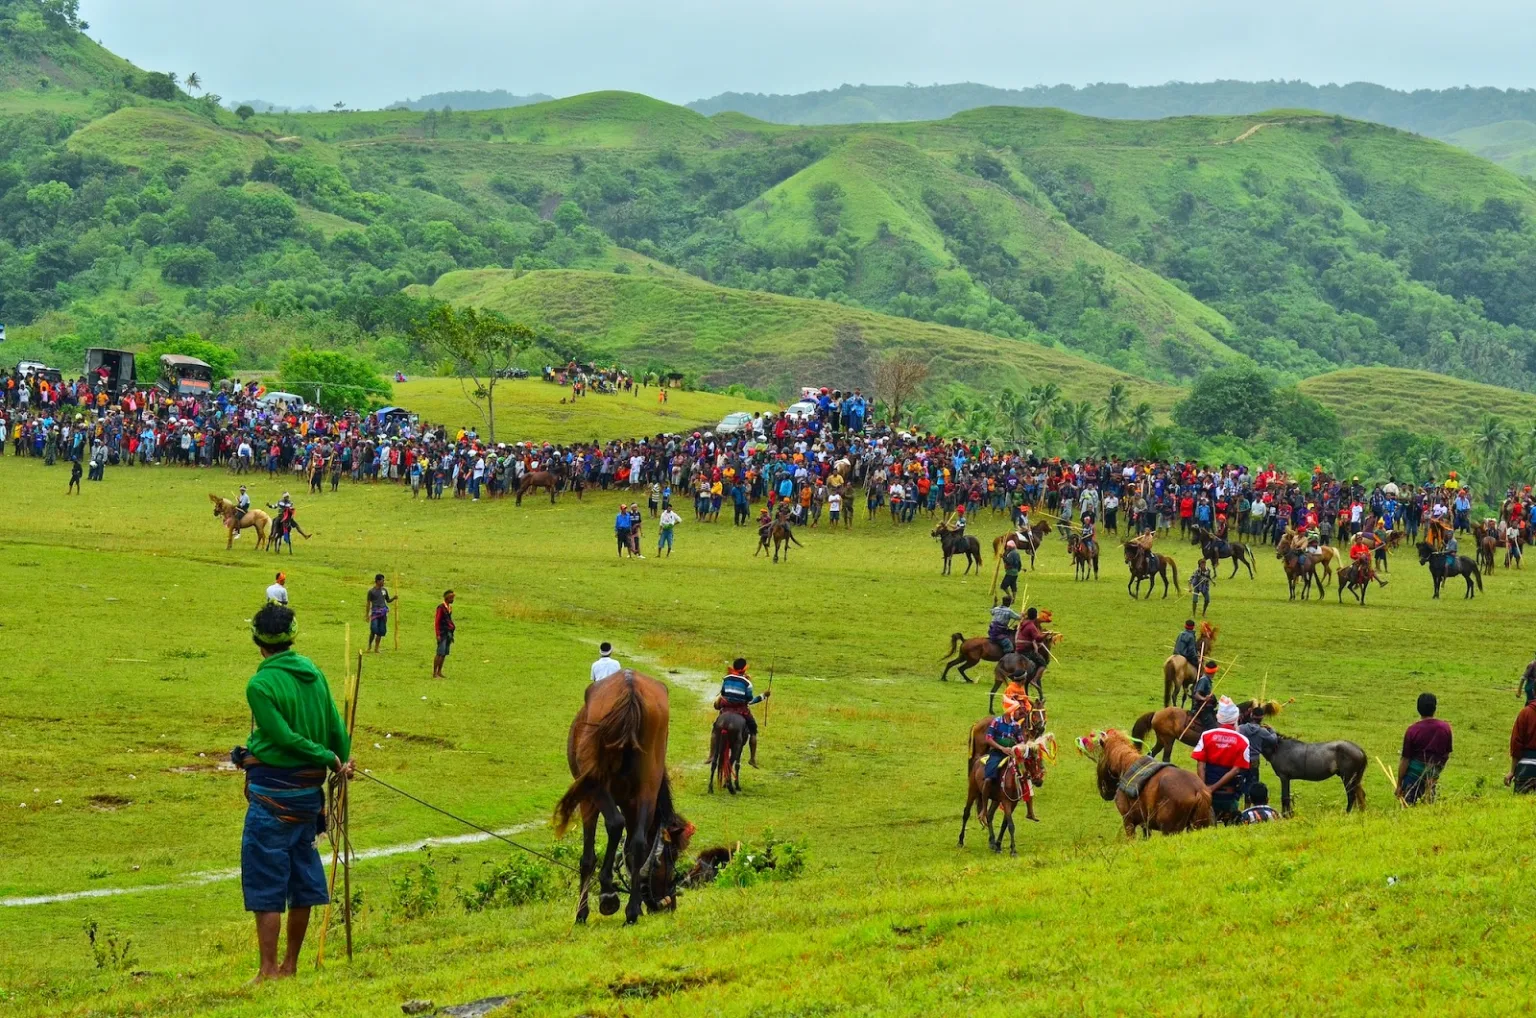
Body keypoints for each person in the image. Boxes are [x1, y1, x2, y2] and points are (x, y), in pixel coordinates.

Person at [234, 601, 352, 983]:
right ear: (293, 636)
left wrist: (328, 757)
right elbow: (336, 726)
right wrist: (340, 760)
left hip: (272, 799)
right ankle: (291, 966)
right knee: (302, 879)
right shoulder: (314, 673)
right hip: (308, 800)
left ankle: (268, 969)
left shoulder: (259, 685)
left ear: (258, 642)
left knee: (266, 880)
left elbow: (283, 737)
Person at [1190, 696, 1251, 823]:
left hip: (1206, 794)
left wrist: (1205, 789)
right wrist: (1213, 788)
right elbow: (1236, 770)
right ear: (1235, 719)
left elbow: (1201, 764)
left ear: (1218, 718)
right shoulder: (1243, 741)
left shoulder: (1206, 735)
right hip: (1228, 796)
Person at [980, 700, 1038, 822]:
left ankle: (1030, 811)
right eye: (1017, 710)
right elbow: (988, 738)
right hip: (997, 754)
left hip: (1012, 754)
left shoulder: (1016, 725)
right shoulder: (996, 722)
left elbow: (1020, 741)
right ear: (1010, 711)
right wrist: (1001, 748)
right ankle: (984, 808)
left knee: (1026, 776)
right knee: (988, 779)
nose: (1019, 712)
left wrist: (1023, 748)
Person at [1397, 692, 1451, 805]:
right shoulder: (1445, 728)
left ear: (1418, 708)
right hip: (1433, 776)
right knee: (1428, 807)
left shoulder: (1412, 730)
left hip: (1412, 778)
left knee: (1408, 807)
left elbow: (1405, 759)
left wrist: (1399, 784)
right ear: (1434, 708)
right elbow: (1446, 754)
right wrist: (1435, 774)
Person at [715, 658, 770, 768]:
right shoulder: (747, 683)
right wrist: (763, 696)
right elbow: (749, 700)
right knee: (753, 730)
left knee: (715, 727)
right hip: (741, 710)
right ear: (744, 669)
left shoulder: (726, 678)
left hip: (726, 709)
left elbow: (723, 693)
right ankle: (752, 758)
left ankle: (712, 755)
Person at [1505, 684, 1536, 794]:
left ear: (1533, 691)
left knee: (1521, 801)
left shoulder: (1525, 713)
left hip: (1526, 767)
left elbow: (1516, 743)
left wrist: (1512, 771)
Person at [365, 574, 395, 652]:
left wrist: (394, 598)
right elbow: (368, 603)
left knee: (381, 630)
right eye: (382, 580)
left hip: (383, 613)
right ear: (378, 581)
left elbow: (388, 600)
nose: (383, 582)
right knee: (374, 629)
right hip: (375, 613)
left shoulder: (384, 590)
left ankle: (376, 648)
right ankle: (369, 646)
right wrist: (367, 615)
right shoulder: (371, 592)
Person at [1189, 660, 1219, 731]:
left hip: (1208, 708)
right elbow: (1196, 695)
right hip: (1202, 710)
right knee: (1212, 728)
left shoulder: (1207, 680)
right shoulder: (1204, 680)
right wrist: (1204, 699)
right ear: (1213, 672)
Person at [432, 590, 455, 679]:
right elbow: (437, 621)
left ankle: (439, 671)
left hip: (448, 633)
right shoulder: (441, 608)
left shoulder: (449, 608)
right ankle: (434, 673)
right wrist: (438, 634)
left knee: (444, 653)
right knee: (439, 653)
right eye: (451, 598)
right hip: (442, 633)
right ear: (447, 598)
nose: (453, 599)